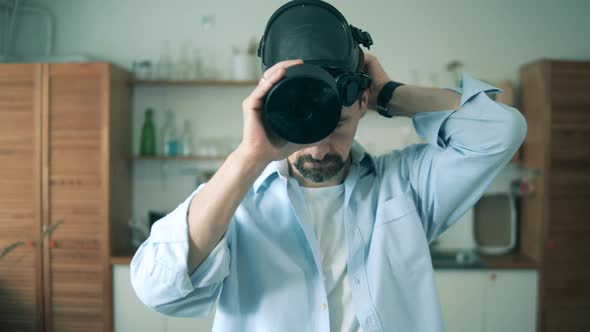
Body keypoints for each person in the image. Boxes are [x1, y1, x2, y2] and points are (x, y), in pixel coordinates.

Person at [130, 3, 527, 332]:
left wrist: (389, 93)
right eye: (302, 129)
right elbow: (156, 289)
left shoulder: (406, 187)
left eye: (336, 125)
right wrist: (250, 154)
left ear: (360, 104)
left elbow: (501, 129)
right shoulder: (236, 203)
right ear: (273, 114)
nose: (319, 148)